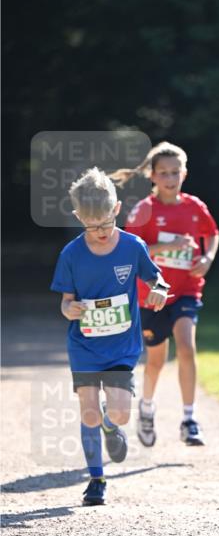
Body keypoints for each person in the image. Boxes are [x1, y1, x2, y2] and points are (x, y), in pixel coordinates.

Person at [50, 167, 168, 505]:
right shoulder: (71, 254)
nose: (100, 231)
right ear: (78, 218)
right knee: (87, 410)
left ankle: (109, 424)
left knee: (119, 414)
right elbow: (65, 302)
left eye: (105, 222)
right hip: (84, 345)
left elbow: (157, 279)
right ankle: (96, 480)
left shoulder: (132, 246)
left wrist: (159, 291)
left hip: (120, 347)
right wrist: (70, 310)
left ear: (116, 210)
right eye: (91, 225)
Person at [112, 142, 219, 447]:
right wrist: (165, 249)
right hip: (152, 295)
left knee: (186, 346)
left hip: (186, 289)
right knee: (156, 360)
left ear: (184, 173)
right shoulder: (145, 210)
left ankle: (189, 419)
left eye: (175, 172)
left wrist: (207, 258)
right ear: (152, 176)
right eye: (163, 173)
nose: (170, 178)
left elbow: (212, 234)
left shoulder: (194, 206)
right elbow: (130, 252)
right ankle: (146, 408)